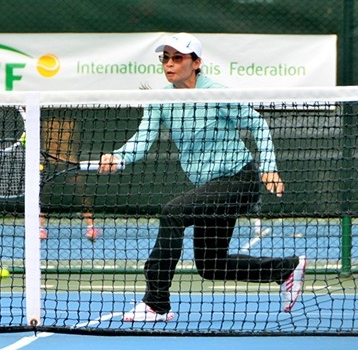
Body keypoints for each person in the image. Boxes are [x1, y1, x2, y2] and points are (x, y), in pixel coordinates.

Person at [99, 33, 306, 322]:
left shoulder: (215, 93)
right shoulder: (161, 101)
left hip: (239, 180)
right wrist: (117, 157)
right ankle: (285, 268)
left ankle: (156, 303)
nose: (169, 64)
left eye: (178, 58)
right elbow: (141, 141)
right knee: (211, 265)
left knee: (173, 213)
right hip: (212, 187)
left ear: (196, 63)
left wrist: (269, 167)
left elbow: (258, 125)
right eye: (166, 58)